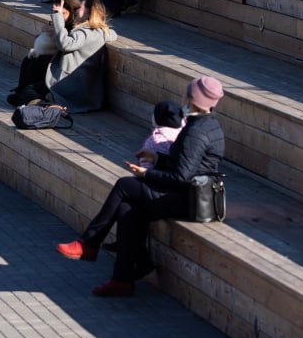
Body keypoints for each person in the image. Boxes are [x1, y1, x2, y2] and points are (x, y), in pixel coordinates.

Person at [55, 75, 226, 297]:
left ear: (193, 99)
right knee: (128, 209)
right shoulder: (206, 124)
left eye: (186, 94)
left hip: (186, 199)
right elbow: (187, 164)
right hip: (187, 193)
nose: (182, 97)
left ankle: (89, 243)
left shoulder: (196, 132)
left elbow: (181, 176)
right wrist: (157, 158)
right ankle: (122, 279)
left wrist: (147, 174)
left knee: (124, 185)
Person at [9, 0, 111, 113]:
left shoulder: (86, 32)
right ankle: (35, 100)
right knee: (26, 82)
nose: (77, 10)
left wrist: (58, 18)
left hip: (71, 85)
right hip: (73, 82)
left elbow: (64, 45)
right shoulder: (96, 31)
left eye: (81, 7)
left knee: (27, 91)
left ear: (89, 12)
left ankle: (46, 105)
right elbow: (110, 34)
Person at [8, 0, 80, 107]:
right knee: (28, 60)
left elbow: (64, 46)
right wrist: (44, 34)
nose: (58, 16)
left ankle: (30, 95)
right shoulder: (59, 23)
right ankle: (24, 91)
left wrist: (55, 31)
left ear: (71, 12)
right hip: (52, 62)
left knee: (39, 62)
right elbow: (43, 44)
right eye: (55, 12)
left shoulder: (76, 28)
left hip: (62, 71)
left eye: (62, 13)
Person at [135, 101, 184, 169]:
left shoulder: (154, 140)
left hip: (155, 173)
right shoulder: (184, 132)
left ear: (158, 117)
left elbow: (145, 166)